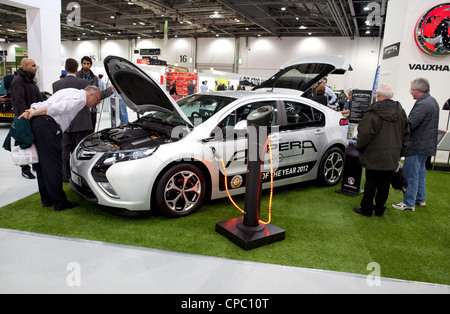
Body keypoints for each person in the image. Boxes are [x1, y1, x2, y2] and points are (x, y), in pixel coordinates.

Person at [18, 85, 102, 211]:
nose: (97, 103)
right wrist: (34, 111)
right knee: (53, 165)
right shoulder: (80, 98)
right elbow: (55, 108)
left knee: (42, 165)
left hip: (38, 124)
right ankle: (59, 202)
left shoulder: (69, 91)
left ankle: (46, 199)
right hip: (48, 125)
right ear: (91, 94)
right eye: (98, 99)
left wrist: (31, 110)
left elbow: (43, 102)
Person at [354, 84, 410, 217]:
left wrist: (359, 147)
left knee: (371, 182)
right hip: (392, 155)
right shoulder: (400, 112)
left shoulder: (372, 112)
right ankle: (380, 208)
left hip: (374, 153)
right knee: (384, 183)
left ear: (378, 96)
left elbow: (364, 133)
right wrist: (401, 153)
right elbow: (406, 134)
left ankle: (367, 208)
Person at [392, 78, 439, 211]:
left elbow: (411, 124)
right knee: (420, 173)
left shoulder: (423, 104)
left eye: (412, 89)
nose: (411, 92)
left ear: (418, 90)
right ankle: (420, 198)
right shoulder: (432, 101)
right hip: (426, 145)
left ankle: (408, 203)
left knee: (410, 174)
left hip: (417, 145)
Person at [52, 58, 90, 182]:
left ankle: (65, 176)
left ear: (65, 69)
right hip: (81, 123)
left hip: (64, 124)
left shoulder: (56, 85)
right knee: (79, 151)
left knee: (64, 151)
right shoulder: (84, 84)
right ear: (77, 68)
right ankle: (78, 175)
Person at [10, 58, 43, 179]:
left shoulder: (30, 80)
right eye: (33, 65)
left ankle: (35, 164)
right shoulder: (18, 81)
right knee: (24, 143)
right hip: (24, 117)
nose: (35, 68)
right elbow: (19, 101)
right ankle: (25, 168)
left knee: (34, 142)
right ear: (25, 67)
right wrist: (26, 116)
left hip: (33, 116)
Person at [76, 56, 113, 130]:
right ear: (82, 64)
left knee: (91, 131)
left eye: (88, 63)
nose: (86, 65)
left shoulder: (95, 78)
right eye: (84, 63)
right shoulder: (76, 77)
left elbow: (98, 94)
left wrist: (110, 89)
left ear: (90, 65)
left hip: (92, 111)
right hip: (79, 110)